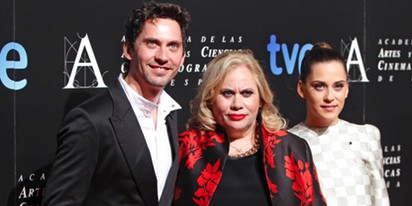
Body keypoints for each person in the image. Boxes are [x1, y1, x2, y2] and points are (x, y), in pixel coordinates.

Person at [41, 2, 191, 205]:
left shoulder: (172, 115)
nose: (163, 57)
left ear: (182, 58)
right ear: (128, 49)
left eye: (173, 46)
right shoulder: (91, 121)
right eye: (152, 43)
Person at [172, 50, 327, 206]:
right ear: (210, 98)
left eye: (247, 93)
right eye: (227, 93)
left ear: (260, 99)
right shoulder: (186, 148)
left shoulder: (291, 148)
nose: (237, 104)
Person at [288, 42, 390, 206]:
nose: (330, 96)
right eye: (319, 86)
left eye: (338, 86)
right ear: (302, 89)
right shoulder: (289, 142)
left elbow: (381, 198)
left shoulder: (367, 136)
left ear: (347, 89)